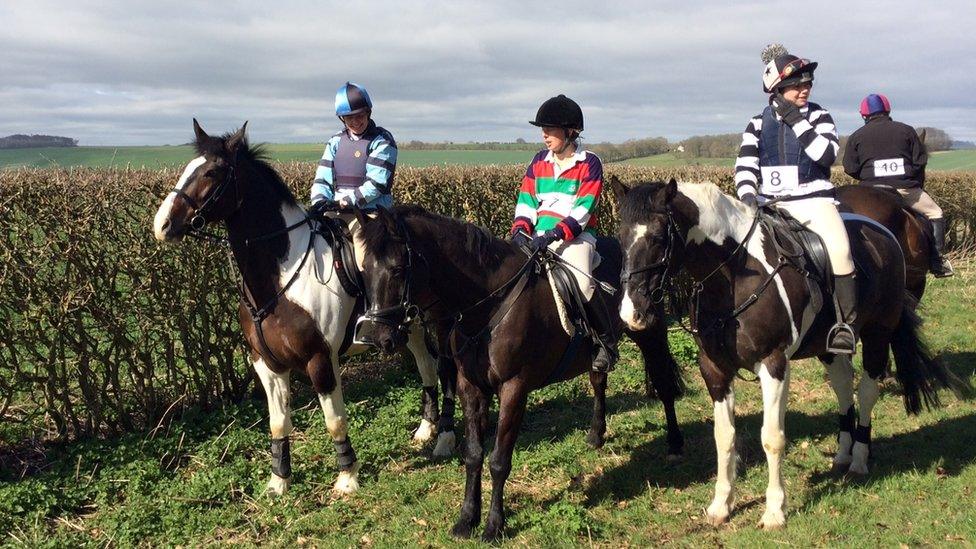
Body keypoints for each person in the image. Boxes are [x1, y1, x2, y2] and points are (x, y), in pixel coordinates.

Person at [734, 44, 857, 354]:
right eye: (797, 85)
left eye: (808, 83)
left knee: (841, 252)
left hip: (814, 201)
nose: (805, 89)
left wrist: (797, 121)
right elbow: (746, 164)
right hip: (769, 204)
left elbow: (825, 156)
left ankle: (845, 326)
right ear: (777, 89)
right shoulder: (757, 122)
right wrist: (748, 196)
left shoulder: (820, 115)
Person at [510, 94, 618, 372]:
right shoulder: (538, 162)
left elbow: (584, 208)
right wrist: (521, 229)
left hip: (575, 237)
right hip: (535, 237)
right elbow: (527, 200)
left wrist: (555, 233)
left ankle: (606, 343)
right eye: (542, 129)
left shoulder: (590, 163)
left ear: (571, 132)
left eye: (550, 129)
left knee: (583, 284)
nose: (544, 135)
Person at [843, 93, 953, 277]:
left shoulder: (856, 136)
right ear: (888, 110)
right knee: (935, 213)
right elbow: (919, 161)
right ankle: (938, 261)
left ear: (863, 115)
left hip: (870, 190)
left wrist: (868, 177)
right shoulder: (906, 130)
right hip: (904, 188)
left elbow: (849, 167)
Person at [310, 81, 397, 269]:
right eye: (349, 118)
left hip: (371, 214)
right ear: (342, 119)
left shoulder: (382, 141)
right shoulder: (335, 141)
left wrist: (348, 201)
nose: (356, 122)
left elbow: (376, 184)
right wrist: (318, 201)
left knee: (364, 261)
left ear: (368, 113)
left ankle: (371, 299)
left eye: (360, 116)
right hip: (337, 210)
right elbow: (322, 178)